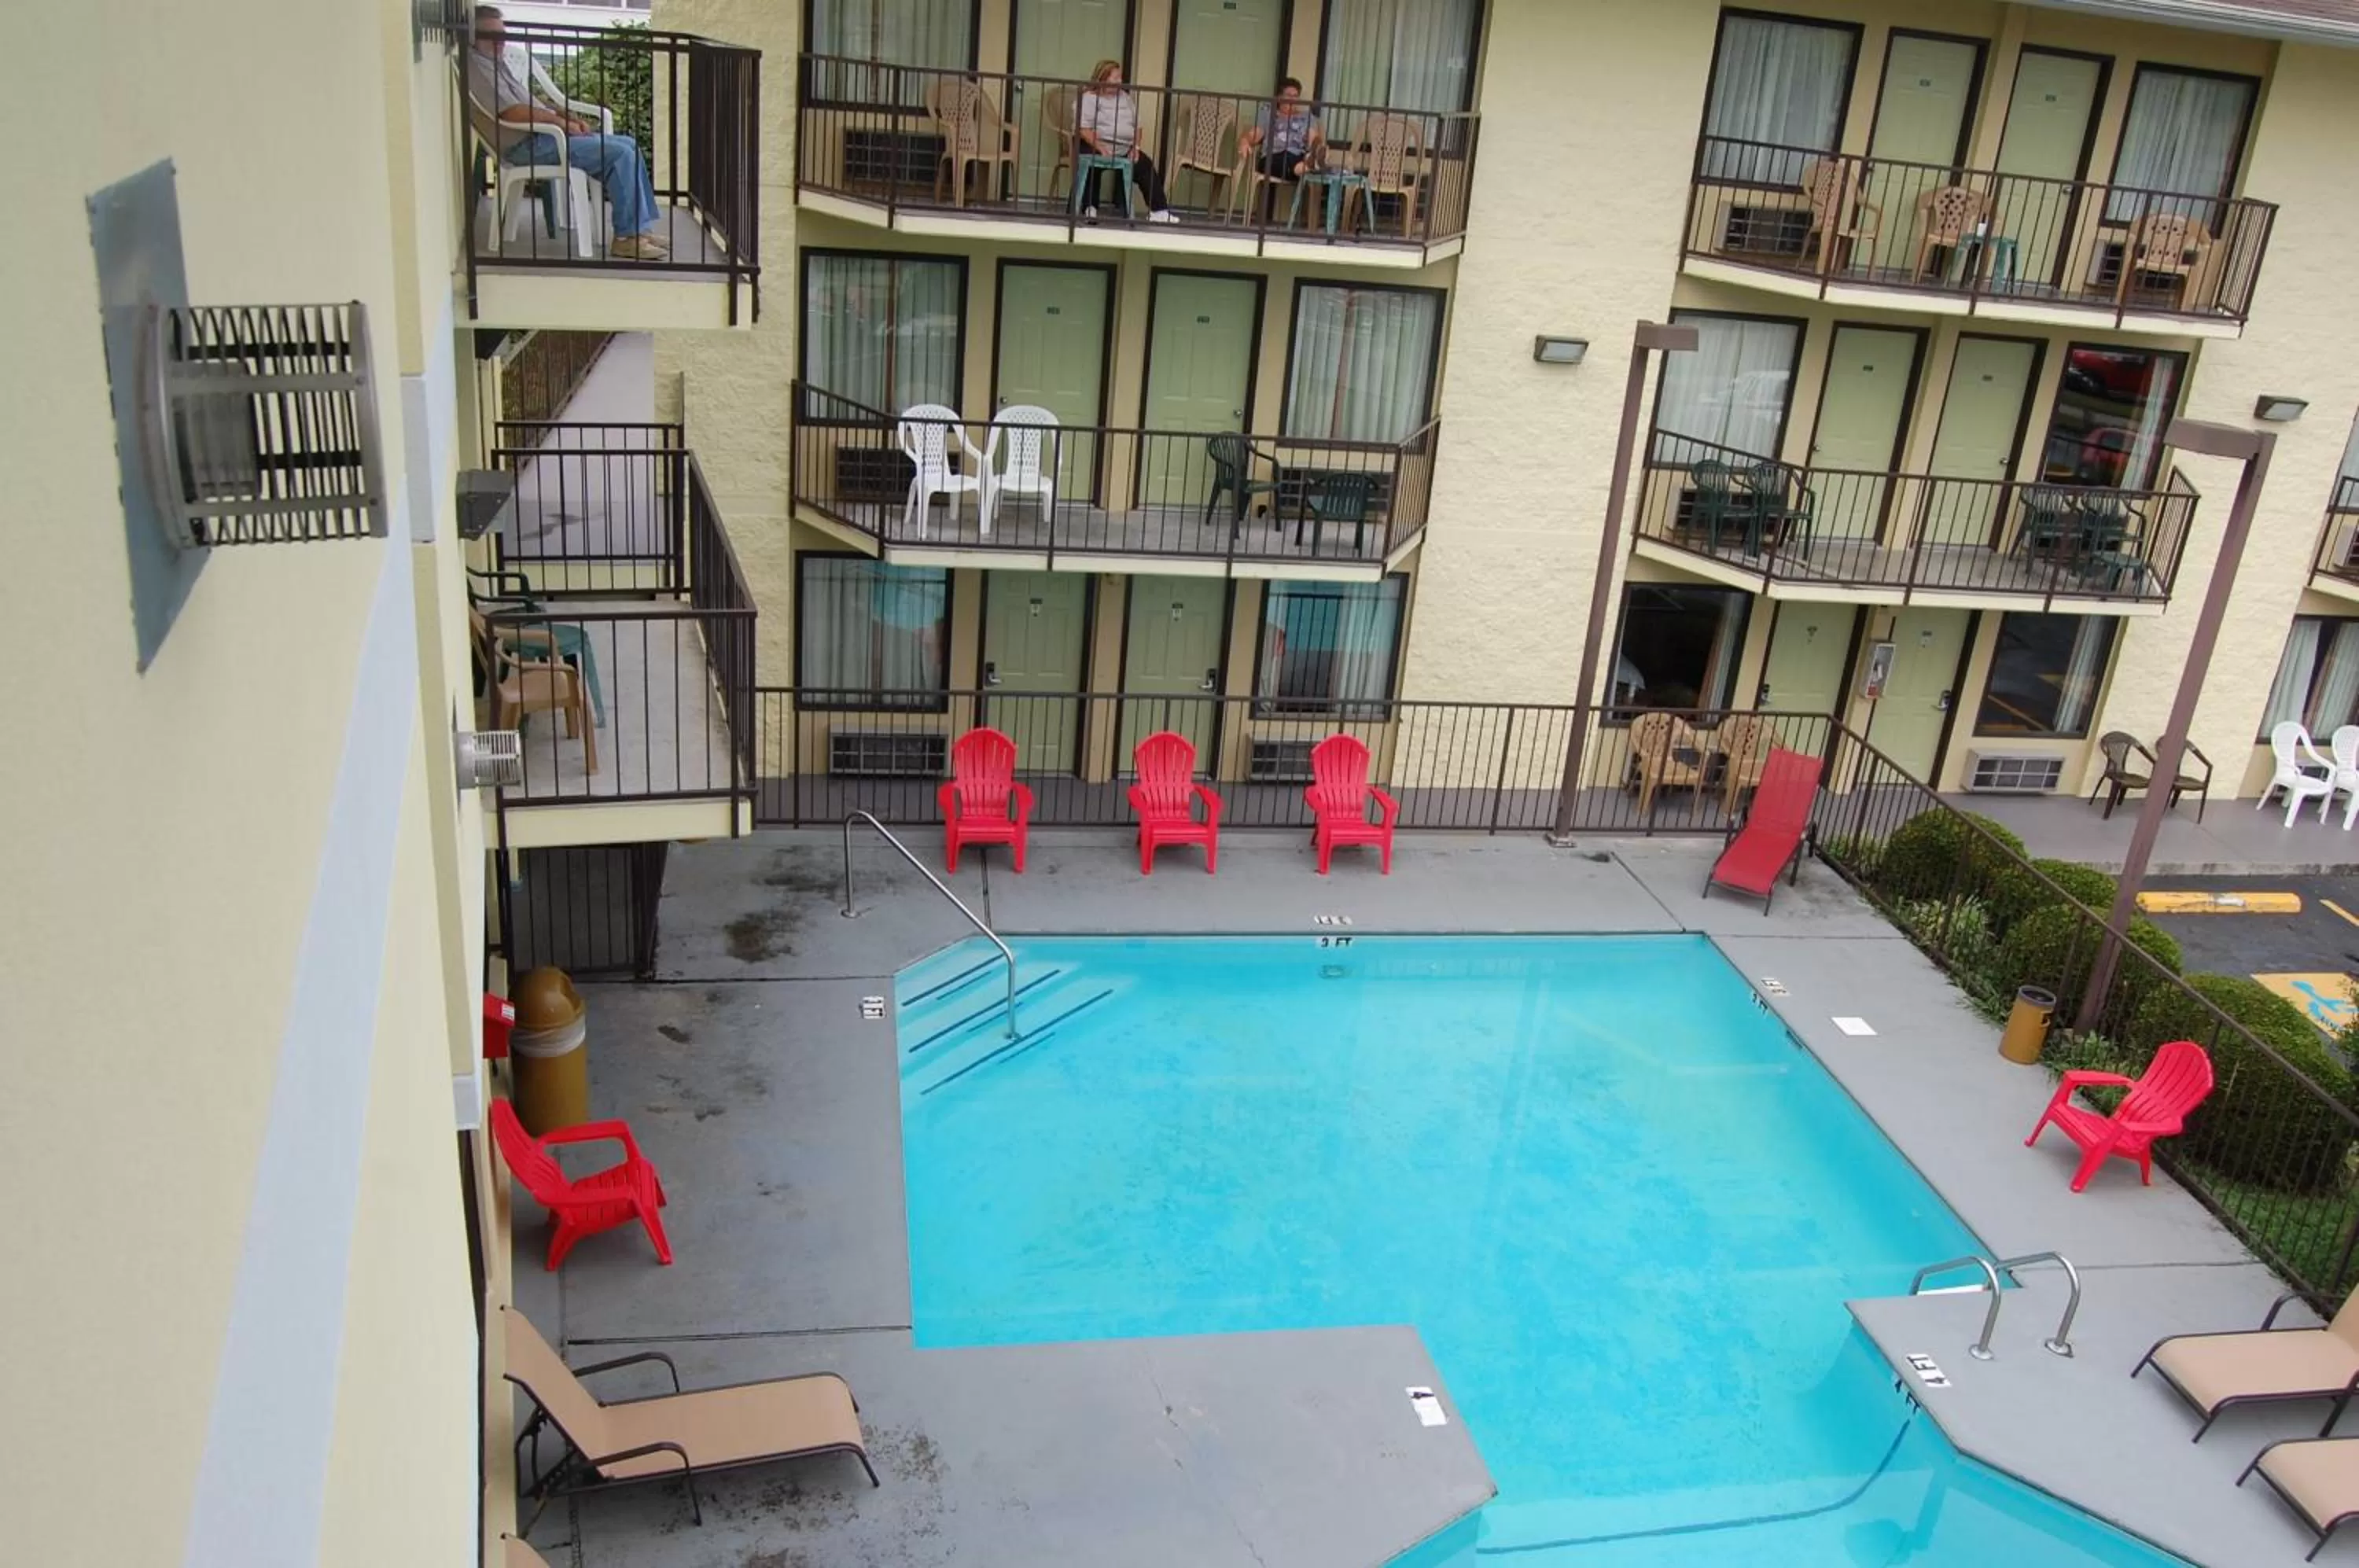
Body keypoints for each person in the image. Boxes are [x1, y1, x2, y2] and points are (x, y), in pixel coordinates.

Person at [469, 8, 671, 260]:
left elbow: (529, 101)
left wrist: (566, 116)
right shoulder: (476, 67)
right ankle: (627, 239)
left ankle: (640, 231)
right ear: (473, 35)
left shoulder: (494, 63)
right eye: (491, 34)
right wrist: (560, 123)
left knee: (628, 144)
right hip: (526, 146)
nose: (500, 41)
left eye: (503, 34)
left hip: (543, 137)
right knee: (619, 154)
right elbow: (512, 113)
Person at [1076, 61, 1176, 224]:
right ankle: (1089, 208)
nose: (1119, 81)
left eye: (1120, 77)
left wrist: (1135, 147)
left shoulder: (1125, 98)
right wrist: (1100, 147)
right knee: (1091, 162)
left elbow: (1138, 127)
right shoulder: (1088, 99)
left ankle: (1159, 211)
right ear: (1103, 79)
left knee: (1145, 165)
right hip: (1095, 144)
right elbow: (1083, 128)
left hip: (1122, 147)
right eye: (1115, 77)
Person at [1238, 76, 1327, 184]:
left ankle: (1308, 165)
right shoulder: (1269, 114)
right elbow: (1255, 134)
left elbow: (1314, 139)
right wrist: (1245, 141)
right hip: (1273, 157)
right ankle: (1308, 167)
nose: (1293, 100)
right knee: (1286, 159)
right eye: (1289, 96)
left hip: (1298, 156)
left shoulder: (1307, 117)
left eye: (1296, 96)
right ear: (1280, 98)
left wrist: (1317, 147)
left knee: (1295, 158)